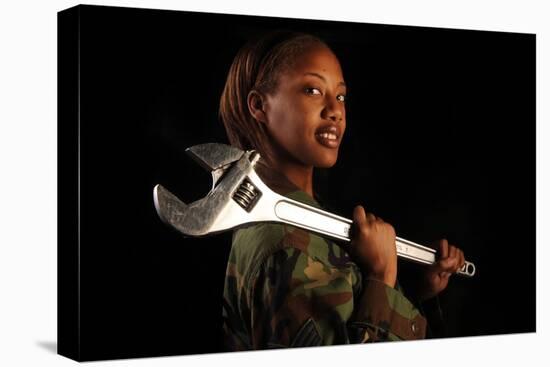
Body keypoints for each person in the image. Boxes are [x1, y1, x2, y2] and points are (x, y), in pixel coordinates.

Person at [218, 30, 465, 350]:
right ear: (259, 105)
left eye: (341, 95)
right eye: (312, 90)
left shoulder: (302, 223)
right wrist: (381, 276)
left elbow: (342, 320)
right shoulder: (288, 246)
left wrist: (414, 293)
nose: (335, 109)